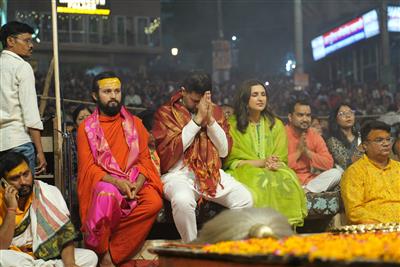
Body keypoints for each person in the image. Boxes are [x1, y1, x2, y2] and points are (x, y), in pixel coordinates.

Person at [153, 71, 253, 243]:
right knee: (182, 201)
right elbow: (170, 151)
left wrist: (211, 121)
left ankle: (223, 246)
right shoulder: (166, 113)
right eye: (194, 100)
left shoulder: (215, 111)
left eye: (202, 100)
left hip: (210, 173)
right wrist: (197, 120)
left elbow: (223, 151)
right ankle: (192, 249)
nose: (199, 105)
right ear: (183, 91)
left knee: (245, 199)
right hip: (178, 175)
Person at [77, 72, 163, 266]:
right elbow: (89, 168)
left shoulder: (136, 124)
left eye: (117, 91)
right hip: (107, 182)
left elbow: (144, 161)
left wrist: (136, 184)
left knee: (154, 202)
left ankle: (111, 256)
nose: (113, 95)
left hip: (133, 181)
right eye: (107, 91)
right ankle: (100, 250)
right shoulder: (86, 129)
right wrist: (117, 182)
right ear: (95, 96)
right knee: (108, 196)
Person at [224, 80, 307, 227]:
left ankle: (280, 230)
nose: (260, 98)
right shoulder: (232, 125)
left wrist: (273, 163)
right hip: (243, 171)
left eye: (263, 94)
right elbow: (232, 161)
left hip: (274, 168)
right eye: (255, 95)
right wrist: (262, 163)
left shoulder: (275, 124)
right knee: (260, 180)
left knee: (286, 179)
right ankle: (257, 230)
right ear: (245, 98)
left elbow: (281, 158)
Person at [0, 152, 97, 267]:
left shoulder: (49, 192)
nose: (23, 182)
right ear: (4, 183)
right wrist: (11, 209)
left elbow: (63, 234)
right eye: (15, 178)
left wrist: (70, 264)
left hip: (48, 257)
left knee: (90, 257)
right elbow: (2, 246)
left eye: (26, 174)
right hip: (19, 258)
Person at [0, 21, 47, 174]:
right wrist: (40, 151)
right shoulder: (22, 67)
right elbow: (31, 114)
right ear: (10, 41)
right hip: (18, 143)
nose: (31, 45)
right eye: (27, 40)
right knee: (23, 196)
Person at [341, 121, 400, 224]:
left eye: (388, 139)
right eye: (379, 140)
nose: (386, 144)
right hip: (377, 230)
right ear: (364, 146)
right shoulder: (355, 172)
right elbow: (354, 212)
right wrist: (385, 224)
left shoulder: (398, 168)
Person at [286, 99, 342, 193]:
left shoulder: (314, 135)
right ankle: (306, 192)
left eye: (308, 115)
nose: (305, 119)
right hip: (288, 180)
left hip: (310, 182)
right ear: (290, 117)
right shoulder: (281, 134)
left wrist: (307, 152)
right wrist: (299, 152)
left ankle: (306, 192)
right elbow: (280, 165)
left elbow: (328, 164)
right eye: (300, 115)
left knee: (336, 173)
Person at [326, 104, 363, 170]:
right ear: (335, 119)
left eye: (350, 112)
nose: (348, 116)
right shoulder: (333, 140)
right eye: (342, 113)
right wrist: (361, 149)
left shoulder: (360, 135)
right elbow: (346, 165)